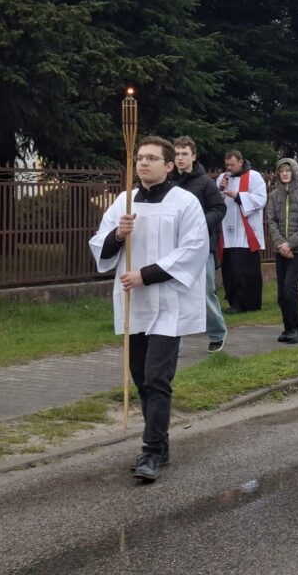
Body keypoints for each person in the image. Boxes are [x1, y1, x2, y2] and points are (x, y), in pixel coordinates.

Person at [89, 136, 209, 482]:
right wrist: (118, 234)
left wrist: (146, 274)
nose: (143, 163)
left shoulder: (185, 202)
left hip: (170, 302)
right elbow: (100, 244)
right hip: (135, 304)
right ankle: (161, 442)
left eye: (152, 158)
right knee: (141, 376)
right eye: (140, 157)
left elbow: (194, 249)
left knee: (157, 376)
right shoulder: (124, 201)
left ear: (169, 165)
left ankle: (152, 450)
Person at [170, 136, 228, 352]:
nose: (180, 158)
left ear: (193, 156)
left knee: (205, 292)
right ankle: (174, 341)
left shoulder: (205, 183)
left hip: (202, 247)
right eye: (177, 154)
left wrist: (199, 222)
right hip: (174, 246)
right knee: (174, 293)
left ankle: (217, 333)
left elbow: (219, 209)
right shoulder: (168, 182)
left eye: (184, 154)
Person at [266, 158, 298, 343]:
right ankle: (288, 328)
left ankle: (296, 327)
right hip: (281, 250)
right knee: (281, 293)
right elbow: (271, 221)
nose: (285, 173)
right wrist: (282, 244)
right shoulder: (274, 196)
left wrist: (290, 244)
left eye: (288, 170)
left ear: (294, 172)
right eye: (282, 171)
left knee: (290, 290)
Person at [217, 149, 267, 313]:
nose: (229, 168)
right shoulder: (222, 178)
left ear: (241, 162)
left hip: (246, 232)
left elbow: (261, 199)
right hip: (228, 231)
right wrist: (220, 189)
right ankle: (234, 302)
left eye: (232, 165)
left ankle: (250, 303)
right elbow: (215, 201)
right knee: (230, 270)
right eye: (227, 165)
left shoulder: (254, 176)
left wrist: (238, 196)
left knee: (245, 270)